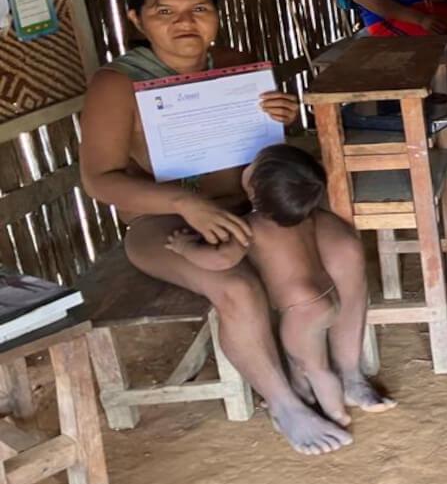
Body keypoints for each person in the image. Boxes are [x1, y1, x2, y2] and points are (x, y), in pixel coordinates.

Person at [79, 0, 388, 456]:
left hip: (252, 206)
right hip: (163, 219)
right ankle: (285, 403)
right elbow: (98, 179)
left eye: (199, 8)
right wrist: (184, 202)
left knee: (346, 248)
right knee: (236, 287)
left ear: (216, 14)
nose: (185, 22)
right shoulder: (116, 84)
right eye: (165, 12)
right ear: (136, 20)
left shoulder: (236, 63)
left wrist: (284, 120)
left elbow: (262, 151)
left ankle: (347, 371)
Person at [164, 144, 396, 433]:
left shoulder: (249, 227)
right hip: (326, 299)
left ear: (253, 188)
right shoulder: (305, 219)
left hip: (300, 310)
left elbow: (221, 258)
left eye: (251, 166)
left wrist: (185, 248)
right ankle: (308, 396)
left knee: (315, 366)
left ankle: (337, 416)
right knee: (303, 360)